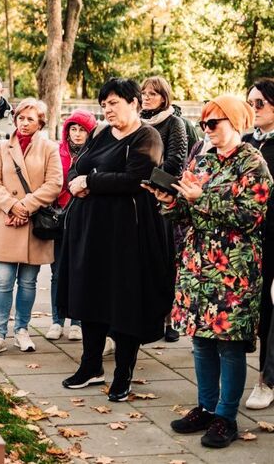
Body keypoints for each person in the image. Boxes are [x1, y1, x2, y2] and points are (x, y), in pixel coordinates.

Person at [148, 95, 271, 449]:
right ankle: (205, 406)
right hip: (197, 264)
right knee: (200, 342)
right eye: (204, 123)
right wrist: (170, 202)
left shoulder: (253, 164)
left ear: (235, 122)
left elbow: (251, 216)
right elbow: (186, 216)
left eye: (213, 123)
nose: (207, 129)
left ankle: (226, 417)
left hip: (234, 268)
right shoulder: (202, 160)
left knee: (229, 346)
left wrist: (201, 199)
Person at [57, 78, 172, 402]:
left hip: (126, 234)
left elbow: (136, 178)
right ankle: (91, 366)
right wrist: (80, 181)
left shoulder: (147, 136)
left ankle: (123, 374)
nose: (107, 109)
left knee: (124, 303)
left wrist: (89, 182)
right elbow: (75, 168)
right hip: (90, 231)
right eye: (104, 104)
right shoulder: (101, 134)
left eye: (114, 103)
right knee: (90, 296)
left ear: (135, 103)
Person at [0, 98, 63, 356]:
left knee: (28, 283)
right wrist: (11, 206)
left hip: (34, 222)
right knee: (3, 281)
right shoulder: (2, 147)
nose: (24, 123)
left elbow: (54, 183)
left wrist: (25, 206)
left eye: (30, 118)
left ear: (40, 122)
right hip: (7, 221)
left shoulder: (50, 148)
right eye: (20, 118)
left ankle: (22, 330)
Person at [141, 76, 188, 345]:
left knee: (165, 261)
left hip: (163, 202)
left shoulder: (174, 123)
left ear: (164, 97)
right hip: (138, 199)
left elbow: (174, 163)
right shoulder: (137, 123)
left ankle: (169, 318)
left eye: (153, 94)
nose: (147, 97)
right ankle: (147, 315)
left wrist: (141, 174)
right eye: (144, 93)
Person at [47, 109, 96, 341]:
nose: (77, 134)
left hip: (84, 217)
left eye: (82, 130)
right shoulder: (57, 152)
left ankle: (77, 321)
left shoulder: (96, 152)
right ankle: (57, 320)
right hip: (59, 217)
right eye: (73, 129)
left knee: (80, 270)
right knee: (57, 272)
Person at [245, 78, 274, 410]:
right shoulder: (246, 142)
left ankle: (266, 380)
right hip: (251, 242)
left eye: (260, 103)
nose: (253, 109)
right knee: (261, 311)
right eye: (250, 102)